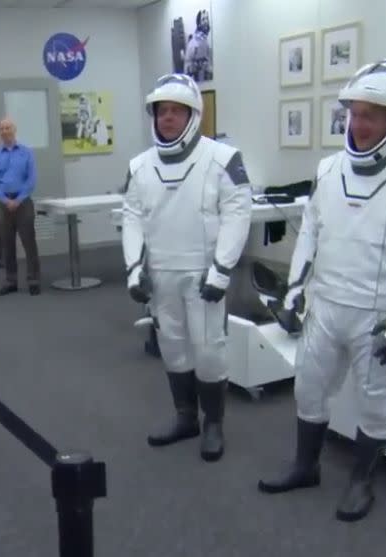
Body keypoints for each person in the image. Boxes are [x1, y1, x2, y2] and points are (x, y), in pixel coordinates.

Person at [257, 60, 386, 522]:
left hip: (381, 316)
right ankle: (306, 467)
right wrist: (294, 292)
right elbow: (311, 230)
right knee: (308, 389)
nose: (361, 124)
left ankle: (362, 481)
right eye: (356, 112)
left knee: (375, 401)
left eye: (373, 114)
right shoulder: (329, 169)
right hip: (325, 305)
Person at [122, 73, 252, 462]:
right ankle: (185, 417)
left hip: (203, 274)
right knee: (173, 348)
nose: (168, 118)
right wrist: (132, 268)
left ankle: (213, 423)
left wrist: (222, 268)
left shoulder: (223, 159)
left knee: (209, 351)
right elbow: (131, 216)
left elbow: (237, 212)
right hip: (160, 272)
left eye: (177, 111)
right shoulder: (140, 165)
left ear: (194, 115)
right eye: (163, 111)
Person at [0, 117, 41, 296]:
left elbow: (31, 179)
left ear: (14, 130)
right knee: (7, 243)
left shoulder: (26, 152)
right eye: (1, 129)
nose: (4, 131)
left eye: (7, 128)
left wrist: (18, 199)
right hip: (2, 203)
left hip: (23, 201)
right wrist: (4, 199)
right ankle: (11, 281)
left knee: (29, 242)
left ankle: (34, 280)